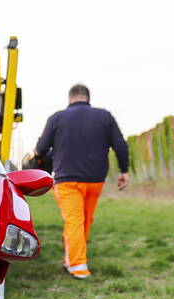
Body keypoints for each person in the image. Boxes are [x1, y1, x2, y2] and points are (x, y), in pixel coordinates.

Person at [33, 84, 129, 279]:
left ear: (70, 98)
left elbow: (41, 149)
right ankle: (72, 259)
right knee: (85, 219)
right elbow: (120, 145)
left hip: (66, 180)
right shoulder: (105, 117)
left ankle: (77, 265)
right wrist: (124, 171)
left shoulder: (57, 118)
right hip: (95, 179)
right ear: (87, 97)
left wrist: (39, 157)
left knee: (74, 220)